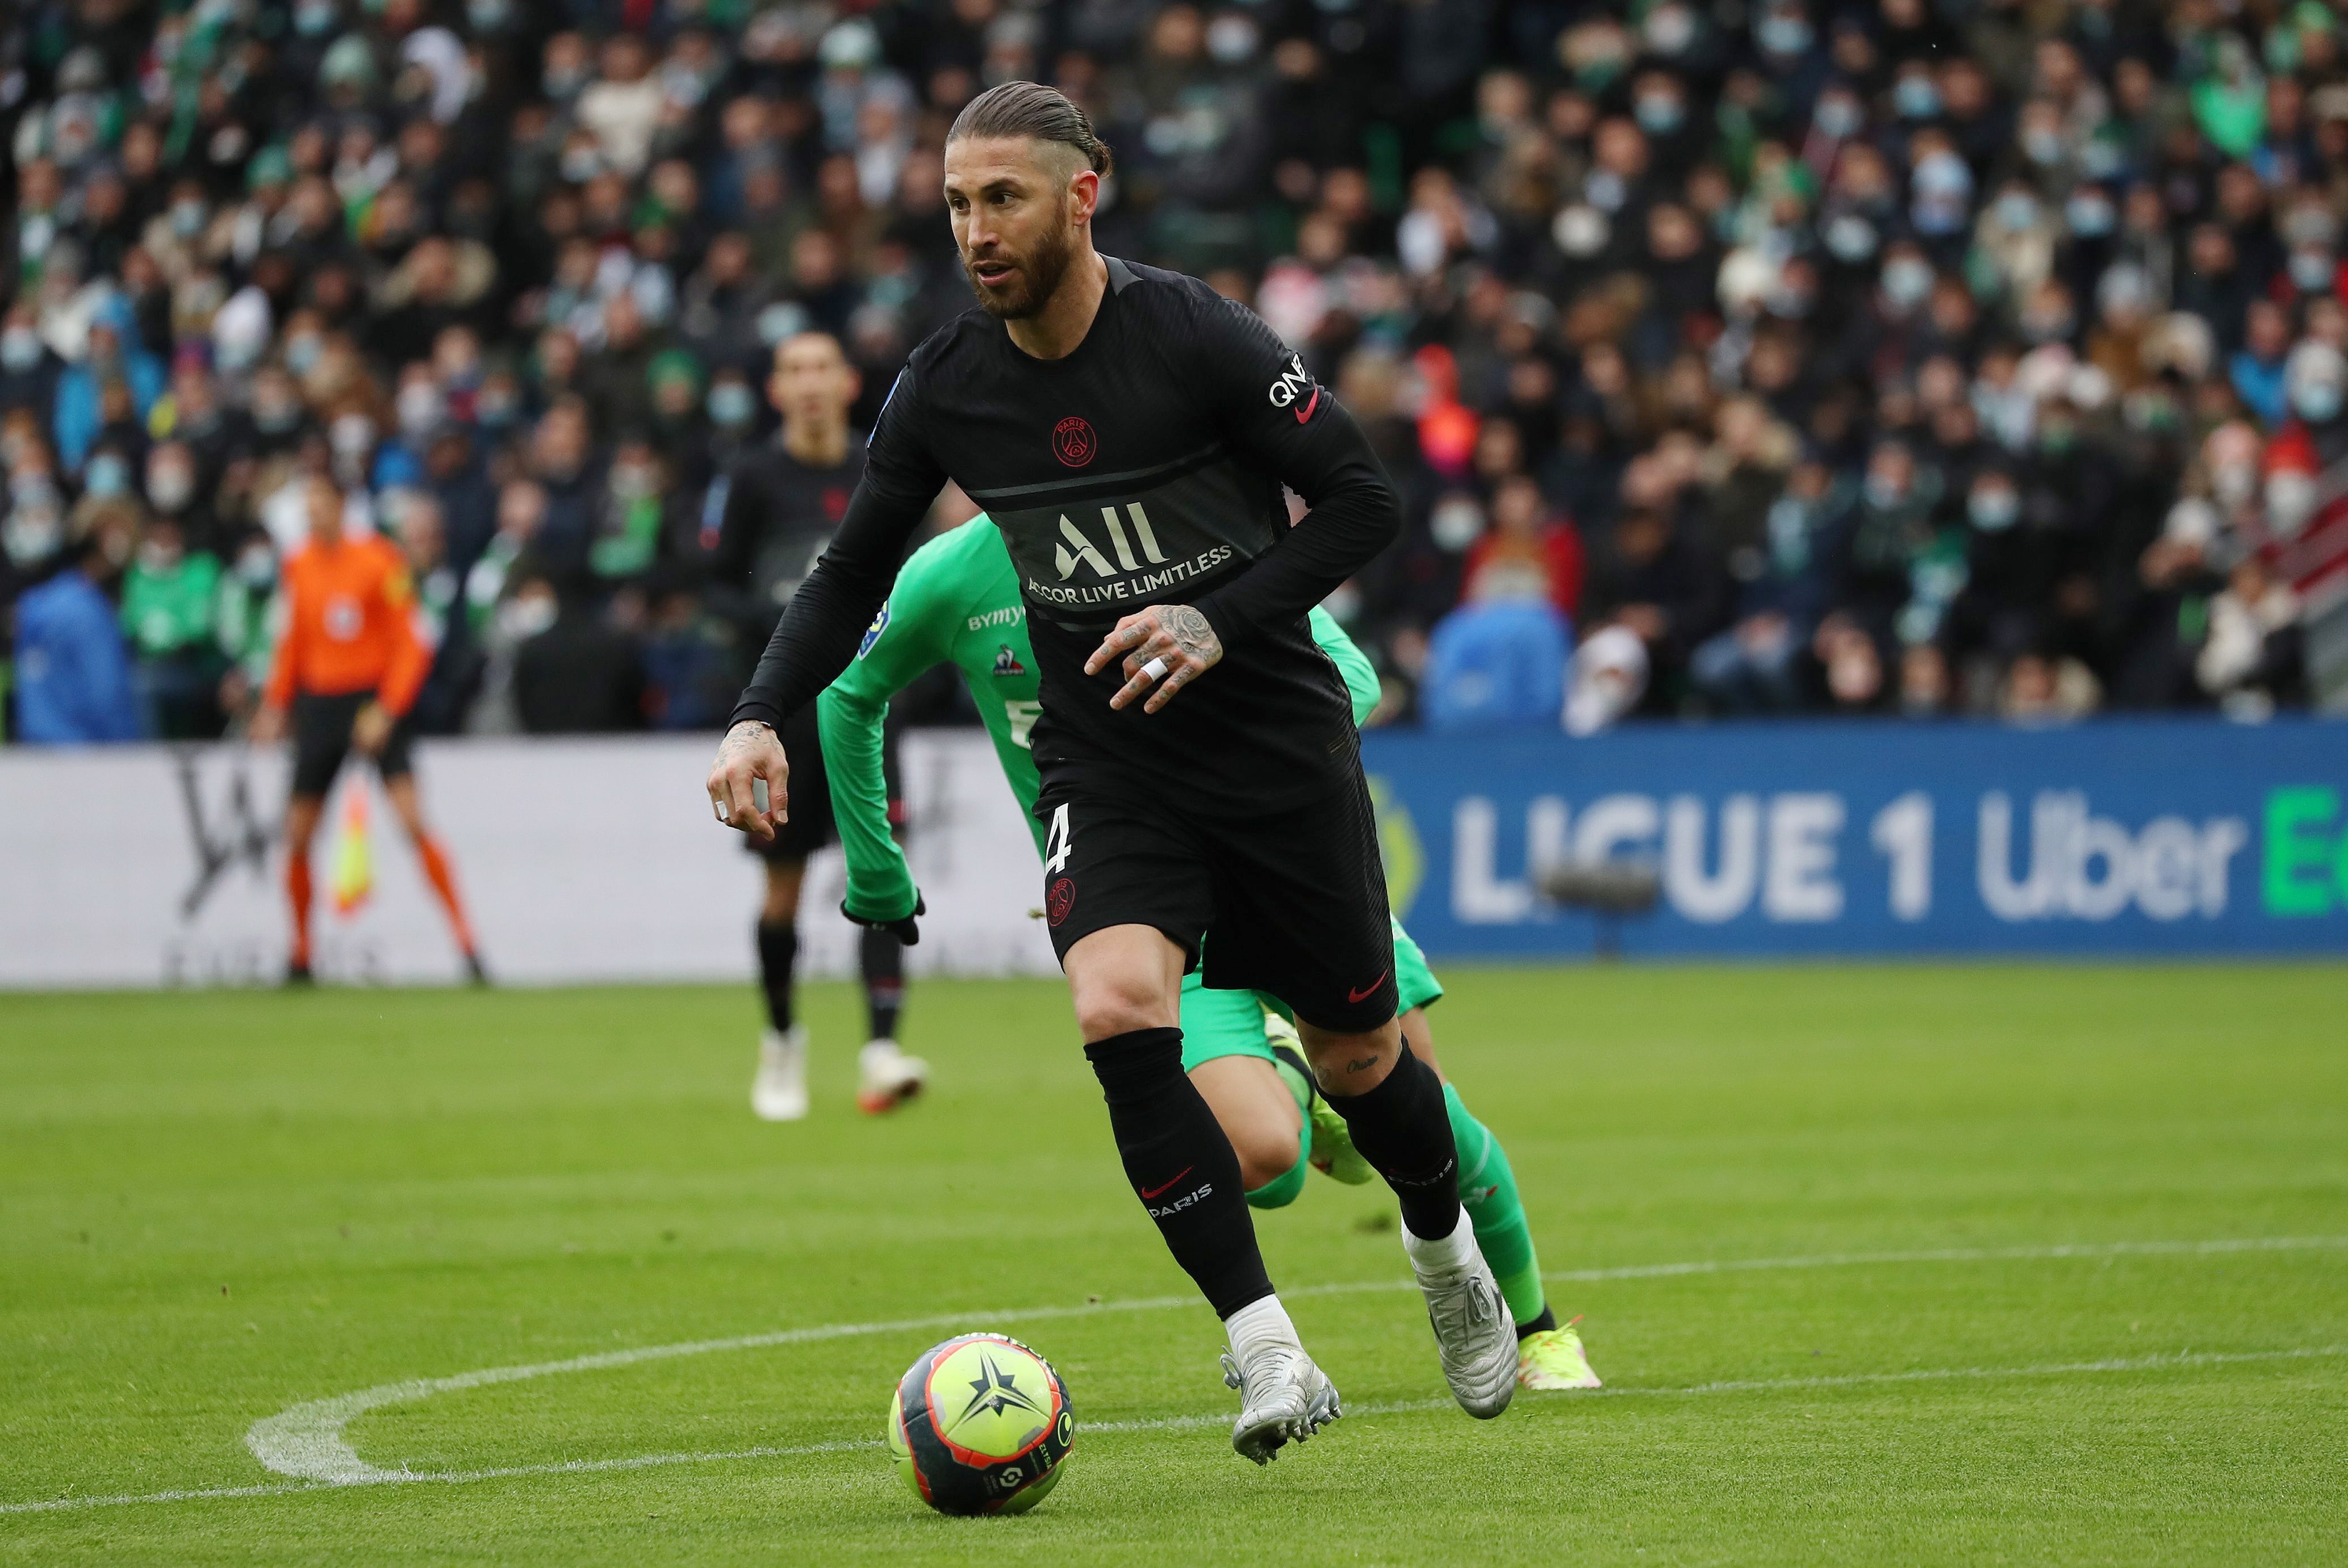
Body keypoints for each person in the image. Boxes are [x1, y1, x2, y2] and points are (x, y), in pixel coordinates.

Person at [705, 82, 1515, 1463]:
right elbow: (849, 573)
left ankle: (1446, 1257)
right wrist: (757, 714)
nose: (975, 230)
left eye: (1003, 197)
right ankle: (1264, 1348)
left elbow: (1364, 498)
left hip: (1271, 738)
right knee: (1114, 1003)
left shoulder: (1194, 335)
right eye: (957, 203)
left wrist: (1218, 617)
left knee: (1360, 1054)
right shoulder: (946, 388)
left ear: (1085, 194)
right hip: (1111, 755)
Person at [819, 512, 1602, 1392]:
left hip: (1291, 863)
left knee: (1419, 1113)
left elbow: (1351, 671)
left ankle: (1534, 1331)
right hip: (1148, 906)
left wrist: (1250, 759)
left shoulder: (1177, 521)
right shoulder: (951, 576)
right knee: (1264, 1162)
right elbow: (846, 694)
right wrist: (877, 872)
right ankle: (1291, 1076)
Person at [709, 331, 925, 1122]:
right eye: (792, 370)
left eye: (819, 369)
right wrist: (790, 622)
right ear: (775, 389)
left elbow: (917, 571)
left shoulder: (883, 463)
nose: (807, 384)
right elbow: (712, 587)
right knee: (783, 887)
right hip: (786, 714)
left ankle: (881, 1046)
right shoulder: (750, 476)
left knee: (880, 865)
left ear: (844, 383)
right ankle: (781, 1038)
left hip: (868, 701)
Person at [251, 474, 483, 984]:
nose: (315, 516)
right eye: (308, 508)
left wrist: (388, 706)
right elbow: (292, 641)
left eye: (322, 504)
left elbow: (412, 641)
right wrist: (276, 703)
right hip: (319, 706)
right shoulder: (298, 565)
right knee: (299, 834)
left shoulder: (380, 559)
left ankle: (468, 945)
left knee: (412, 821)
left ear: (342, 507)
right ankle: (301, 953)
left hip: (370, 699)